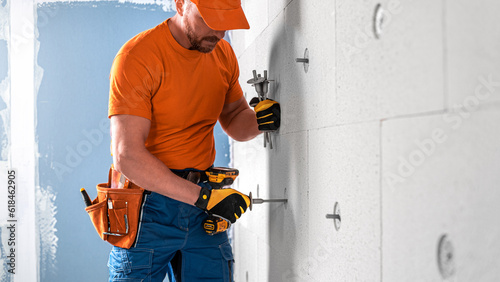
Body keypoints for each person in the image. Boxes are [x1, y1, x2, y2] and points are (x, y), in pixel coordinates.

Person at [106, 0, 281, 281]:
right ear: (180, 4)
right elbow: (127, 156)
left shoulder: (222, 53)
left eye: (225, 22)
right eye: (209, 19)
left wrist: (259, 120)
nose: (219, 32)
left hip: (203, 205)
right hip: (147, 206)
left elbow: (235, 118)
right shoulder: (137, 57)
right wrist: (204, 199)